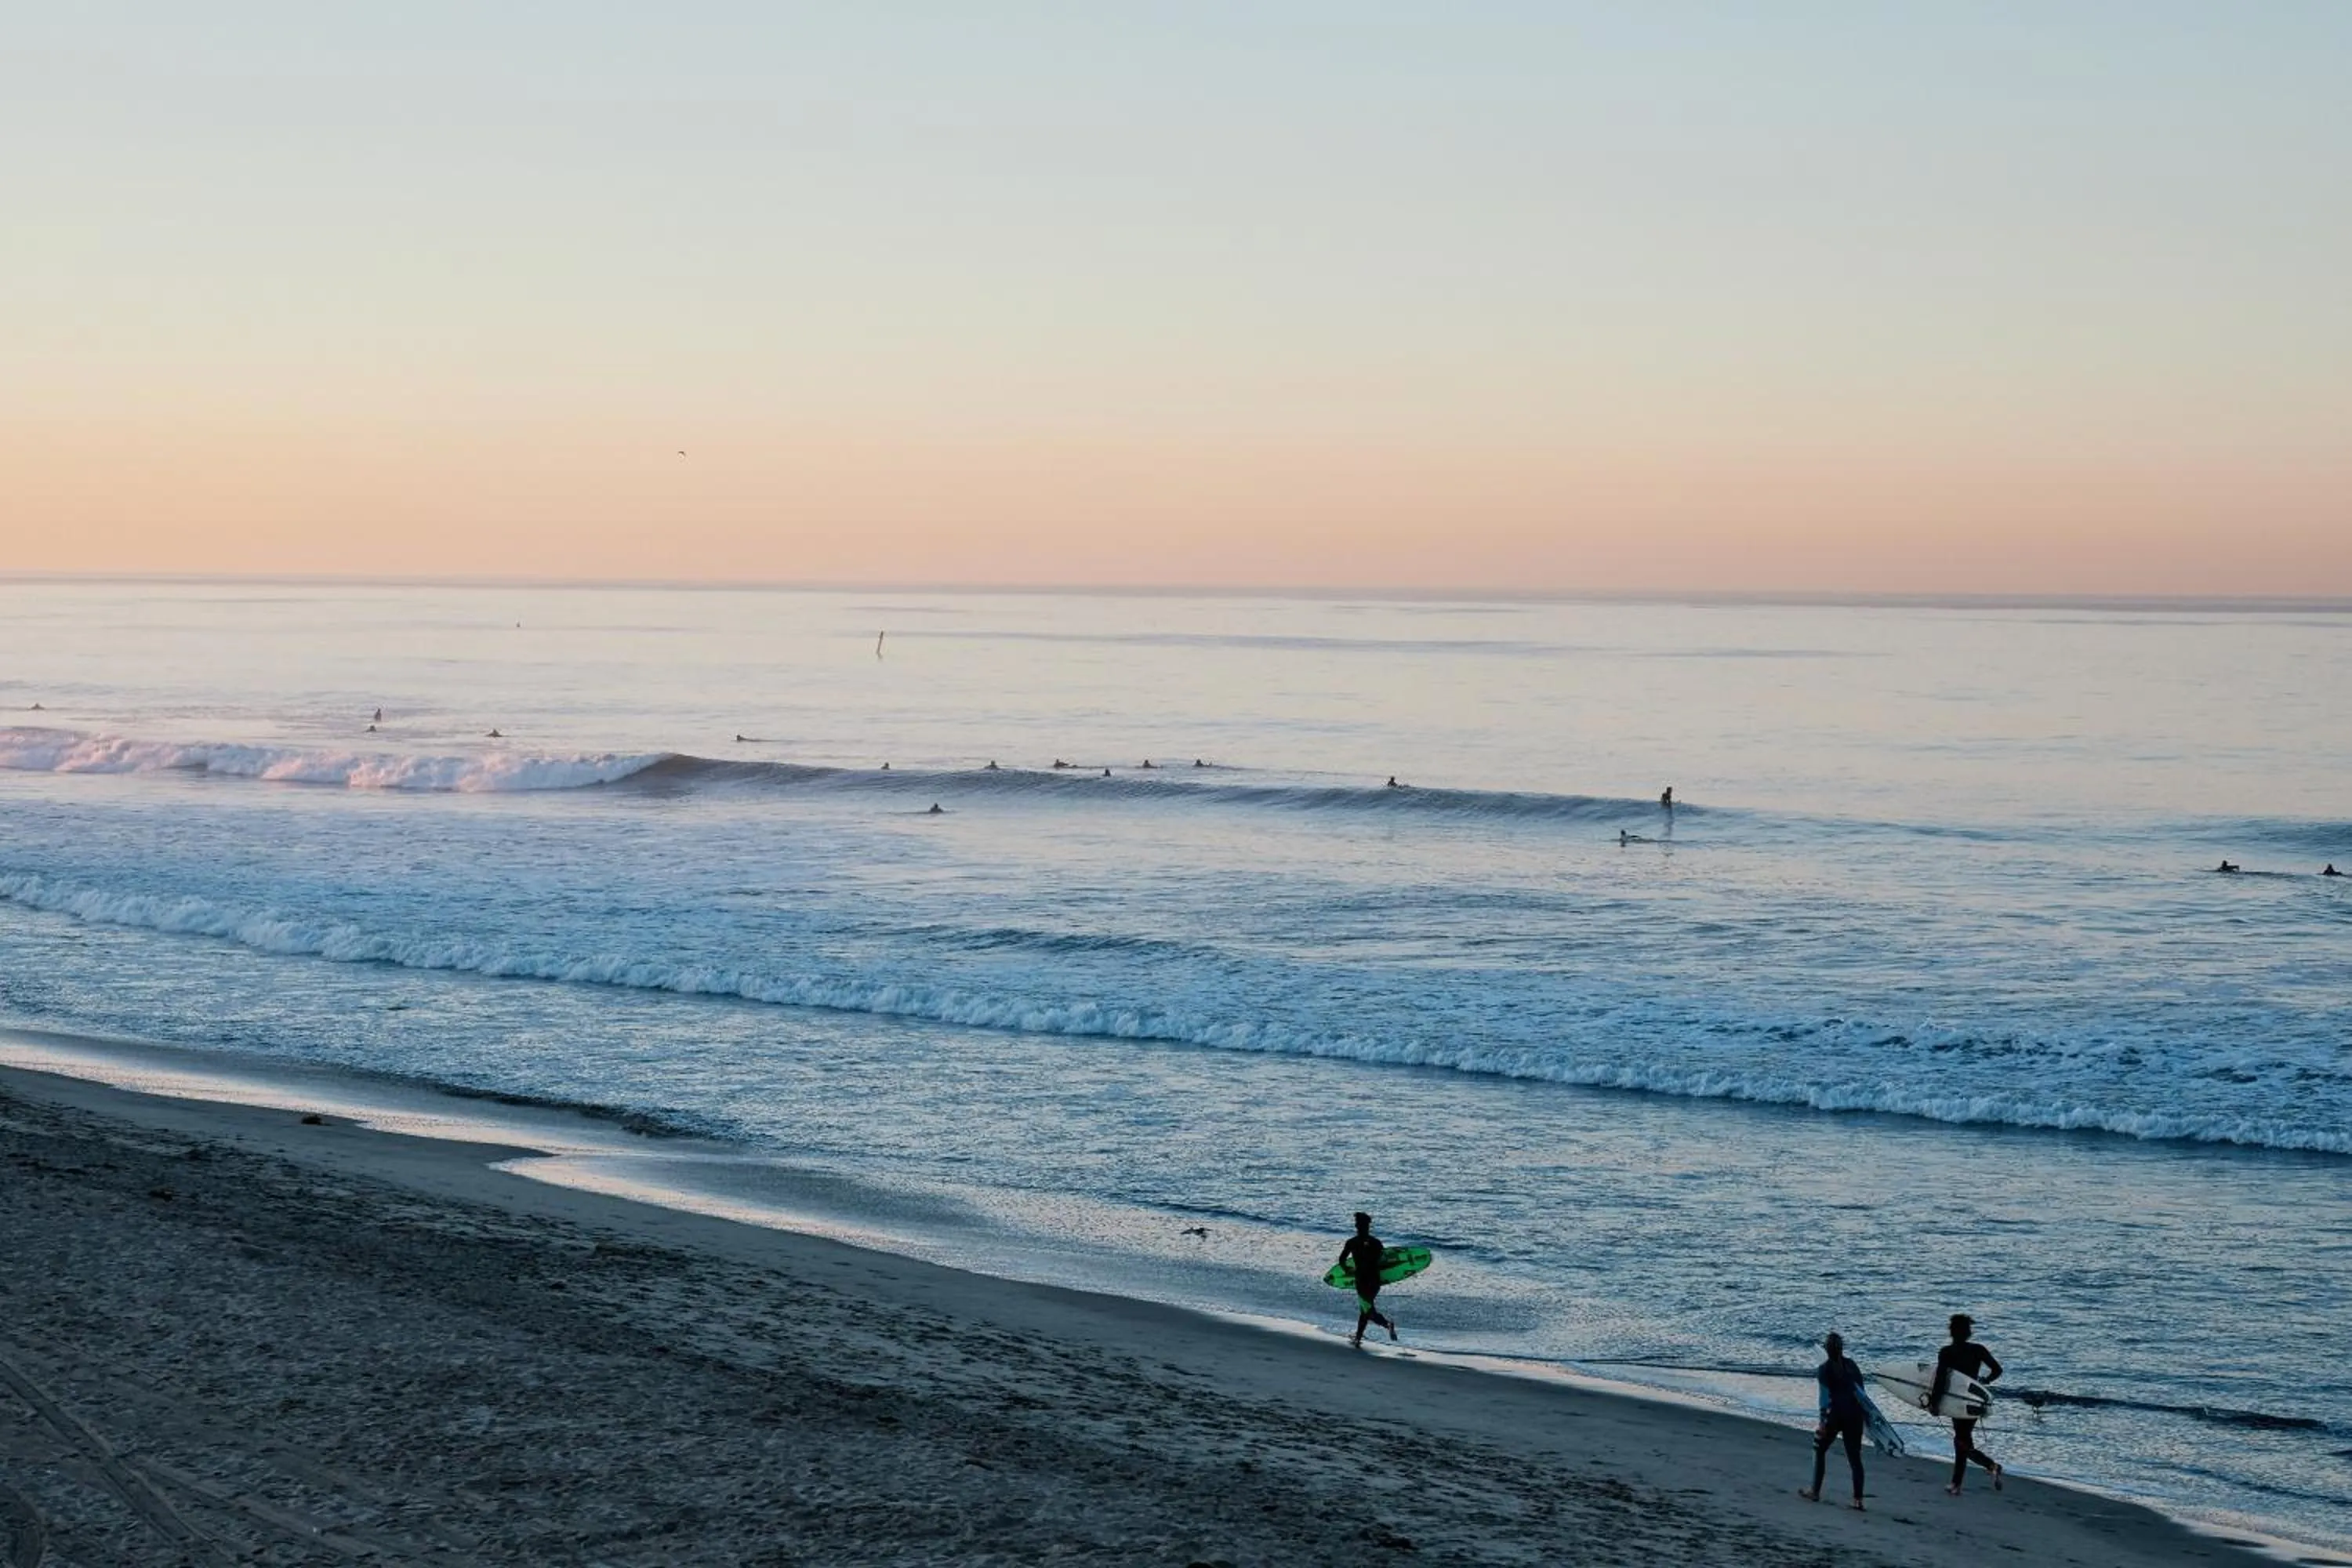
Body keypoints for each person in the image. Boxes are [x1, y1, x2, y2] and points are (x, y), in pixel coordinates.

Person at [1933, 1314, 2004, 1496]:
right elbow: (1997, 1370)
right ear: (1968, 1333)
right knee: (1963, 1439)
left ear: (1952, 1332)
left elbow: (1941, 1380)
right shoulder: (1978, 1350)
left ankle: (1990, 1465)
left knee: (1961, 1441)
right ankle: (1957, 1484)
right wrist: (1984, 1382)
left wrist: (1935, 1403)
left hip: (1957, 1401)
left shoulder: (1947, 1352)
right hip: (1974, 1401)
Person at [1800, 1333, 1872, 1510]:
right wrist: (1866, 1418)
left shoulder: (1824, 1369)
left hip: (1835, 1416)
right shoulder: (1852, 1365)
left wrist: (1822, 1423)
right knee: (1855, 1458)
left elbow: (1825, 1399)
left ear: (1826, 1349)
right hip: (1854, 1415)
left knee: (1819, 1449)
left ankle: (1815, 1491)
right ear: (1842, 1348)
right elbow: (1861, 1393)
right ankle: (1858, 1500)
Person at [1336, 1212, 1399, 1348]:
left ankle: (1387, 1325)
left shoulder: (1352, 1242)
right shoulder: (1376, 1243)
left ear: (1357, 1226)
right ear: (1368, 1226)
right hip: (1375, 1281)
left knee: (1367, 1310)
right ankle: (1358, 1338)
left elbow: (1341, 1260)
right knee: (1365, 1309)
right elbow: (1385, 1262)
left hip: (1362, 1280)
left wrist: (1347, 1271)